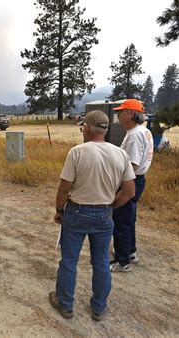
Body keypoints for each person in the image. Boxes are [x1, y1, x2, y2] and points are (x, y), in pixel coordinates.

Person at [49, 110, 135, 321]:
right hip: (104, 214)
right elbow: (130, 191)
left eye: (82, 127)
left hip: (77, 212)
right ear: (105, 129)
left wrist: (59, 211)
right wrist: (110, 206)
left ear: (87, 128)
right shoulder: (120, 154)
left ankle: (65, 304)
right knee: (101, 262)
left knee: (69, 260)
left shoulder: (77, 152)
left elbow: (63, 188)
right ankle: (98, 307)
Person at [111, 99, 154, 272]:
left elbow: (132, 165)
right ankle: (130, 252)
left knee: (121, 220)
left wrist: (117, 181)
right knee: (129, 219)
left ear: (130, 113)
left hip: (131, 180)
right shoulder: (143, 131)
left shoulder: (134, 135)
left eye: (120, 112)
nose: (118, 115)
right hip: (138, 179)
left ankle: (122, 262)